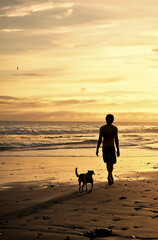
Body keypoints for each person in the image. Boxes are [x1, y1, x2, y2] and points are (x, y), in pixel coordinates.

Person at [96, 114, 120, 185]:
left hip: (105, 147)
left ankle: (110, 175)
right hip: (111, 147)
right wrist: (118, 149)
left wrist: (97, 148)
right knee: (111, 163)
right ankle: (109, 175)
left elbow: (100, 139)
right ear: (112, 120)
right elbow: (116, 140)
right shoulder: (114, 128)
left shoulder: (102, 128)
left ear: (106, 120)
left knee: (107, 162)